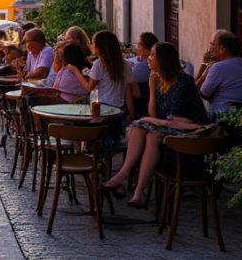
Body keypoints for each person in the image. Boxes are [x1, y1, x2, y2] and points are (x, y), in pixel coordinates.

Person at [103, 42, 209, 207]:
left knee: (149, 132)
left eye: (152, 55)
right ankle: (135, 189)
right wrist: (152, 89)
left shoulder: (183, 82)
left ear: (163, 60)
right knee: (144, 132)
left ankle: (128, 182)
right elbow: (156, 116)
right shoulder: (158, 81)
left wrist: (151, 120)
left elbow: (172, 118)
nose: (148, 59)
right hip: (167, 129)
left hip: (190, 137)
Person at [195, 29, 242, 115]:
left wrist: (206, 67)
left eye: (212, 44)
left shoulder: (217, 68)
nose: (209, 49)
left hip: (226, 119)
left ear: (222, 49)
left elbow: (202, 93)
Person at [85, 30, 135, 114]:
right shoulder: (126, 64)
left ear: (99, 47)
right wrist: (131, 112)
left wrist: (75, 71)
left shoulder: (99, 64)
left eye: (93, 43)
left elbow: (89, 87)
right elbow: (127, 90)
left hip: (102, 108)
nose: (92, 46)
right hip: (119, 108)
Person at [130, 32, 158, 118]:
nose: (136, 46)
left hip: (139, 102)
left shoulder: (144, 66)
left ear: (147, 50)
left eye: (139, 44)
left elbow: (129, 77)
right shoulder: (140, 61)